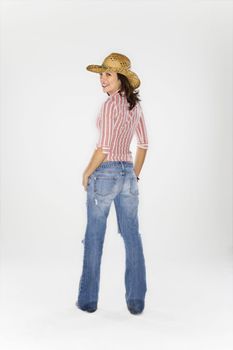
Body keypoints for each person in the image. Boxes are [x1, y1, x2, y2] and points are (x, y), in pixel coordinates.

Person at [75, 52, 149, 315]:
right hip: (127, 173)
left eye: (108, 74)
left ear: (121, 79)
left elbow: (104, 147)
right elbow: (143, 143)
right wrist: (133, 174)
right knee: (132, 236)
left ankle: (87, 300)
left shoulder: (109, 106)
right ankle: (137, 300)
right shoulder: (135, 106)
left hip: (104, 174)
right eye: (101, 74)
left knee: (94, 236)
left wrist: (87, 171)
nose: (102, 79)